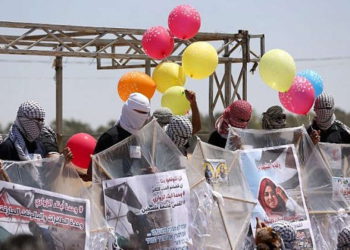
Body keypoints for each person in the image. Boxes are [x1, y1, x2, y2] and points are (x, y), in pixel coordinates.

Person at [87, 93, 151, 180]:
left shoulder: (141, 138)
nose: (141, 117)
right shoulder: (109, 137)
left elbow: (142, 166)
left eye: (145, 113)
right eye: (138, 112)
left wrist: (150, 171)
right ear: (127, 110)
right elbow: (92, 173)